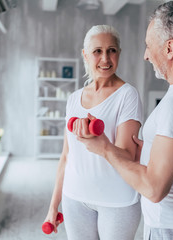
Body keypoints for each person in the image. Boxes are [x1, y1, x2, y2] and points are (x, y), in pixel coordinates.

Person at [77, 1, 173, 240]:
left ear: (169, 48)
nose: (146, 55)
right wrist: (151, 150)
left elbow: (154, 189)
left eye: (148, 46)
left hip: (172, 229)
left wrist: (104, 148)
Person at [43, 25, 143, 240]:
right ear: (85, 55)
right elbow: (65, 157)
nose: (105, 59)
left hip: (117, 200)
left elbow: (129, 155)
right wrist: (53, 206)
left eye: (112, 50)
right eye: (97, 51)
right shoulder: (73, 99)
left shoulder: (128, 95)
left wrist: (102, 142)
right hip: (75, 198)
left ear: (119, 53)